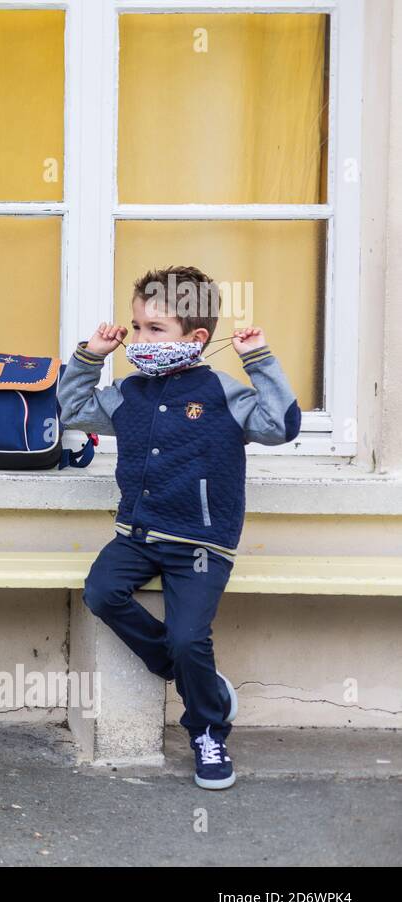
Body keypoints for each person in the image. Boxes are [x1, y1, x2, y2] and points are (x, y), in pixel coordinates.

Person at [58, 266, 301, 789]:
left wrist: (258, 359)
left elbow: (280, 425)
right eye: (136, 326)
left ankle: (207, 730)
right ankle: (181, 669)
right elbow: (72, 408)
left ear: (195, 339)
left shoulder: (224, 392)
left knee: (192, 637)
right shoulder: (129, 392)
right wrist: (91, 356)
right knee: (101, 592)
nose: (140, 338)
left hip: (201, 543)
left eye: (155, 329)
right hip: (137, 535)